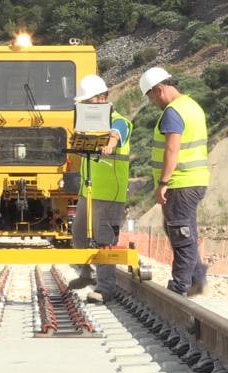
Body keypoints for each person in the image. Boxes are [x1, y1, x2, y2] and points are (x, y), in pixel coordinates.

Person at [139, 67, 209, 296]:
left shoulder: (173, 111)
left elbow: (172, 149)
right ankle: (197, 277)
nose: (152, 102)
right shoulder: (192, 106)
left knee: (180, 233)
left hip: (180, 182)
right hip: (195, 180)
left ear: (159, 89)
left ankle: (180, 287)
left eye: (150, 97)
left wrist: (163, 183)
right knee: (182, 230)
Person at [67, 75, 133, 304]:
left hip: (109, 194)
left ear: (102, 98)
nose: (84, 105)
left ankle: (105, 288)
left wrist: (111, 143)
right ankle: (86, 274)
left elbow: (118, 132)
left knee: (105, 241)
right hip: (90, 192)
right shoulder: (88, 125)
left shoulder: (118, 120)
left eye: (87, 100)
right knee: (78, 233)